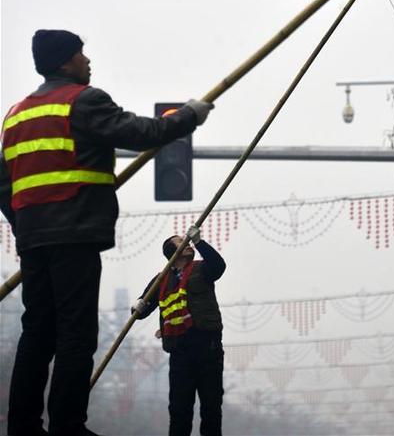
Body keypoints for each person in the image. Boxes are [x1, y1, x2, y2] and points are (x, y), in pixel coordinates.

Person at [0, 29, 214, 436]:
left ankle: (24, 426)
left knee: (37, 333)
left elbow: (2, 181)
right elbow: (142, 134)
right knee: (76, 334)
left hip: (33, 239)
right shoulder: (84, 101)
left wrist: (25, 223)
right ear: (65, 61)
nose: (88, 61)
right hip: (74, 234)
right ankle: (67, 424)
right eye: (82, 55)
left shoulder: (16, 114)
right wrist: (189, 116)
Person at [133, 225, 226, 436]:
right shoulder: (161, 279)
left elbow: (219, 266)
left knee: (211, 406)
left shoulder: (202, 269)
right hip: (179, 351)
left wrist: (200, 242)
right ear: (172, 252)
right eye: (180, 242)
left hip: (206, 346)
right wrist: (137, 307)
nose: (187, 243)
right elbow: (143, 308)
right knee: (179, 408)